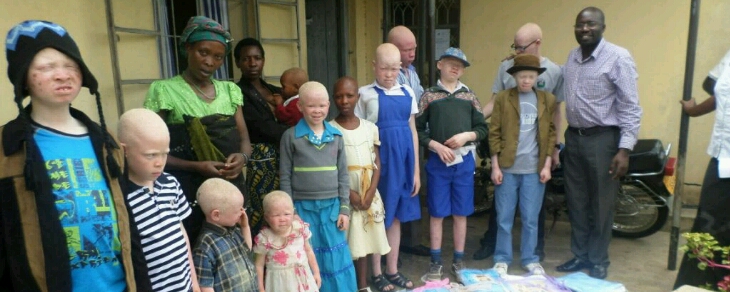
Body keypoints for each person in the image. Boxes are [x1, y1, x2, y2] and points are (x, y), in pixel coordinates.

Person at [0, 20, 140, 291]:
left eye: (70, 66)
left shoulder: (105, 141)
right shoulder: (7, 148)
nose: (62, 75)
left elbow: (128, 225)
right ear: (23, 78)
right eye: (46, 67)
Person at [144, 16, 252, 241]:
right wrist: (196, 166)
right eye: (203, 52)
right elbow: (150, 151)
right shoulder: (165, 90)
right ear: (187, 48)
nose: (210, 62)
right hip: (186, 193)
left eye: (218, 57)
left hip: (230, 191)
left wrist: (242, 157)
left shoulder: (230, 91)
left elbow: (244, 140)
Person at [556, 7, 642, 279]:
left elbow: (630, 107)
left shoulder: (618, 57)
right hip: (575, 138)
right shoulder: (572, 57)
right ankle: (580, 255)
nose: (584, 29)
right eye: (580, 24)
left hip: (604, 140)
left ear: (603, 27)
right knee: (577, 202)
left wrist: (624, 150)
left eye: (591, 24)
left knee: (602, 204)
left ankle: (598, 259)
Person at [474, 22, 564, 262]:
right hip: (508, 154)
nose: (516, 51)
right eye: (515, 46)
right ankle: (493, 245)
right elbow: (495, 103)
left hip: (535, 156)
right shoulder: (506, 66)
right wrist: (473, 122)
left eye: (521, 47)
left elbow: (555, 114)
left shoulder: (553, 71)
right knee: (501, 208)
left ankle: (535, 251)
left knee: (534, 208)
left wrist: (555, 148)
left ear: (537, 44)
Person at [416, 47, 487, 280]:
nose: (456, 67)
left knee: (461, 212)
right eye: (450, 63)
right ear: (439, 65)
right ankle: (435, 261)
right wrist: (436, 145)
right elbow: (417, 130)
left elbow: (482, 129)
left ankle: (458, 260)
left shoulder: (469, 96)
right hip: (438, 163)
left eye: (461, 65)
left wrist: (467, 136)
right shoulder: (429, 96)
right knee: (436, 213)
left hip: (464, 163)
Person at [279, 81, 357, 291]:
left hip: (332, 208)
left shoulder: (337, 136)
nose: (317, 111)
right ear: (300, 106)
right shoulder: (290, 137)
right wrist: (291, 212)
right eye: (311, 106)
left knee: (335, 255)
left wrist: (344, 209)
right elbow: (285, 177)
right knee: (307, 253)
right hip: (303, 209)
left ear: (328, 105)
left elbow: (343, 175)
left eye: (322, 106)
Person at [355, 43, 420, 290]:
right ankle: (376, 272)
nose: (389, 74)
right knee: (378, 216)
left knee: (397, 217)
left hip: (403, 163)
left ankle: (392, 270)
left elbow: (412, 131)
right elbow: (360, 132)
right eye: (384, 69)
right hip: (379, 164)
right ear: (374, 66)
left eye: (394, 69)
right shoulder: (365, 94)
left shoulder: (408, 92)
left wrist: (415, 171)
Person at [489, 54, 556, 276]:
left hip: (534, 171)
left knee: (530, 219)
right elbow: (494, 132)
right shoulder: (503, 98)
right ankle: (502, 258)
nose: (526, 81)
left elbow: (550, 135)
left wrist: (547, 165)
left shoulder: (547, 99)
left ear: (537, 77)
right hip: (507, 169)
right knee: (504, 218)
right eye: (522, 76)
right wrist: (495, 167)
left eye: (530, 76)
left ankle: (530, 258)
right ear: (514, 77)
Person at [118, 108, 199, 292]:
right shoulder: (120, 197)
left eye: (164, 154)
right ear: (125, 150)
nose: (159, 162)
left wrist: (194, 283)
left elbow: (181, 235)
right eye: (151, 155)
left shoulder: (170, 183)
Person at [673, 49, 730, 290]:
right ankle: (700, 284)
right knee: (708, 225)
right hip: (722, 156)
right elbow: (721, 95)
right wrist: (693, 110)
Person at [330, 76, 392, 292]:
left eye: (349, 95)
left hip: (369, 192)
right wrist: (350, 194)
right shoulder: (330, 130)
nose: (344, 101)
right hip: (346, 192)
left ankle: (363, 286)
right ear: (333, 99)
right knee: (349, 242)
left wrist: (371, 191)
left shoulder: (369, 127)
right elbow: (331, 168)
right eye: (339, 96)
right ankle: (351, 285)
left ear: (358, 97)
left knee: (364, 242)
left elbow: (377, 162)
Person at [234, 37, 289, 234]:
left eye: (257, 58)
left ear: (263, 60)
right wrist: (295, 133)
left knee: (284, 210)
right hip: (261, 163)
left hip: (284, 158)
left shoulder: (274, 90)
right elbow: (261, 127)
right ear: (238, 63)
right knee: (263, 210)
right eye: (246, 59)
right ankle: (261, 260)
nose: (252, 63)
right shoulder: (238, 92)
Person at [388, 25, 429, 258]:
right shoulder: (389, 75)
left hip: (413, 133)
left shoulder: (412, 72)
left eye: (414, 49)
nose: (412, 54)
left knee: (414, 188)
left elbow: (421, 99)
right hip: (394, 139)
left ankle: (411, 241)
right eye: (406, 50)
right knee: (393, 191)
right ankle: (391, 250)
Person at [194, 178, 258, 292]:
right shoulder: (206, 245)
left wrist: (245, 227)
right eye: (237, 210)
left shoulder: (234, 229)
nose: (242, 213)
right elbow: (205, 285)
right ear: (216, 215)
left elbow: (246, 249)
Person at [253, 191, 320, 292]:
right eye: (276, 215)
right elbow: (259, 265)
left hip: (303, 279)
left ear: (293, 213)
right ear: (266, 217)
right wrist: (261, 288)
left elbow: (309, 251)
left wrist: (316, 272)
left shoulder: (299, 229)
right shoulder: (265, 238)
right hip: (279, 283)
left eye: (287, 214)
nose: (282, 219)